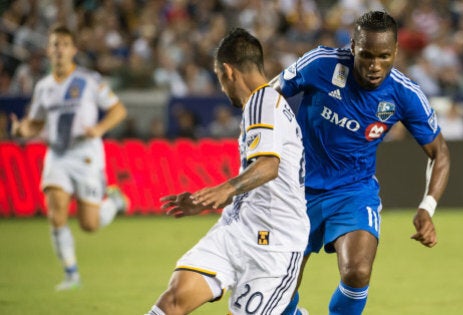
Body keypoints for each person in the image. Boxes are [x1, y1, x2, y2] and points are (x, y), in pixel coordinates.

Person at [272, 11, 450, 315]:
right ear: (353, 45)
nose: (374, 66)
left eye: (383, 56)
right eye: (366, 55)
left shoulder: (405, 94)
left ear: (395, 52)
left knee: (357, 272)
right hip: (295, 189)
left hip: (354, 191)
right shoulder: (321, 64)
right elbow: (269, 96)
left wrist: (427, 207)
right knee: (278, 289)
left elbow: (440, 153)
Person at [147, 28, 309, 315]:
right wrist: (208, 200)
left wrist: (226, 189)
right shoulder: (260, 106)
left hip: (274, 245)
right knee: (174, 299)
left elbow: (269, 166)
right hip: (236, 229)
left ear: (227, 71)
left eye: (219, 78)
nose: (222, 87)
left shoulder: (264, 102)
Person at [9, 24, 129, 291]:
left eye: (64, 44)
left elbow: (118, 110)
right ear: (48, 50)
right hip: (58, 154)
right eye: (55, 44)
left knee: (90, 224)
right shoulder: (43, 87)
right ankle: (71, 274)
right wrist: (21, 130)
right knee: (56, 212)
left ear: (73, 50)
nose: (59, 49)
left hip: (86, 154)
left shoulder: (89, 79)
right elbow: (36, 124)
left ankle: (115, 201)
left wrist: (98, 129)